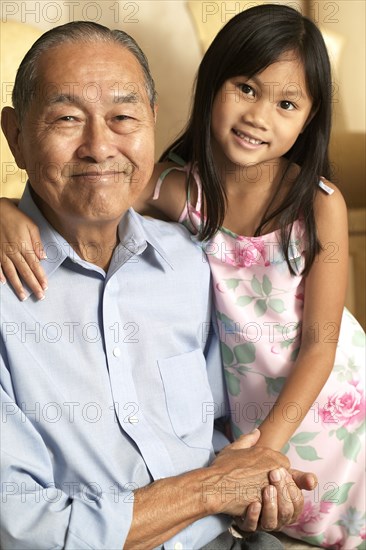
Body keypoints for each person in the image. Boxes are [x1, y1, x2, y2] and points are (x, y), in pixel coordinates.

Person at [1, 6, 364, 549]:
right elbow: (95, 188)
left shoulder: (220, 246)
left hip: (320, 403)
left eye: (124, 118)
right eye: (67, 118)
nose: (101, 147)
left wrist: (257, 462)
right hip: (244, 425)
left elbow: (318, 348)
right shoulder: (178, 194)